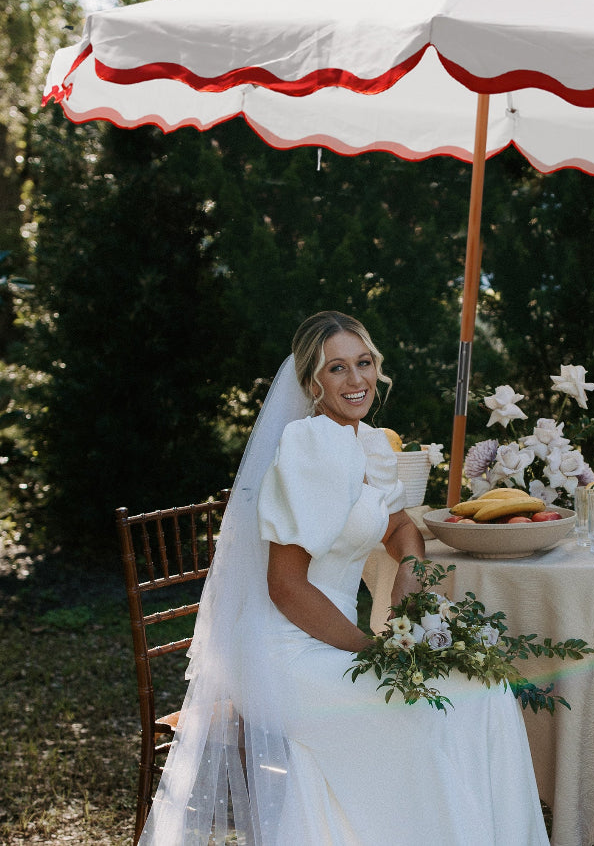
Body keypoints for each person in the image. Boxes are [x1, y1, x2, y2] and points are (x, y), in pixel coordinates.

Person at [139, 311, 550, 846]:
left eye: (363, 363)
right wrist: (369, 652)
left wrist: (409, 567)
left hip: (330, 641)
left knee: (486, 688)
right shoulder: (307, 447)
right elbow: (285, 587)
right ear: (313, 382)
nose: (356, 380)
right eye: (337, 369)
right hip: (284, 653)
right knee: (431, 714)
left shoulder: (369, 443)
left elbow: (401, 525)